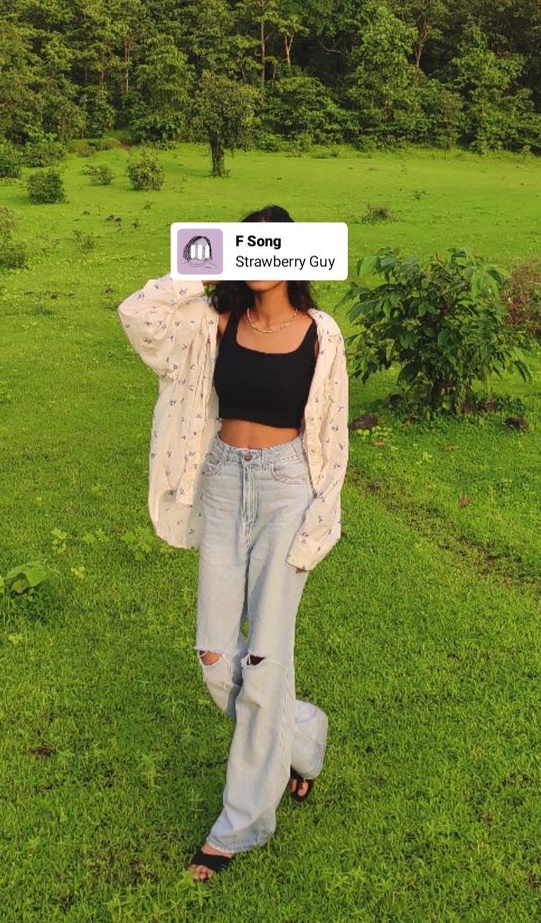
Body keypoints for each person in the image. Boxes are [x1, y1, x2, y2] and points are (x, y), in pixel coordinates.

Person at [117, 205, 349, 883]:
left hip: (286, 491)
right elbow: (139, 314)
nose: (256, 261)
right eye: (246, 248)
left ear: (296, 257)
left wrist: (319, 517)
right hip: (222, 482)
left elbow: (332, 434)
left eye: (267, 248)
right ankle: (299, 739)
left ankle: (239, 825)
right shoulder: (215, 322)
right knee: (217, 659)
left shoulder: (321, 334)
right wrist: (204, 263)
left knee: (267, 655)